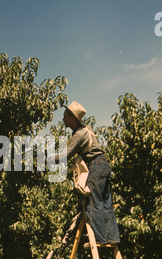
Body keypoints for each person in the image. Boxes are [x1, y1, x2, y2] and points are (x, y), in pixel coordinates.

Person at [51, 101, 120, 245]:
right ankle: (112, 238)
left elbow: (65, 155)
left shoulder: (79, 134)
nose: (63, 119)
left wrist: (45, 160)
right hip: (103, 165)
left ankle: (100, 239)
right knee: (105, 203)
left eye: (65, 117)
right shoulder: (86, 130)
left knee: (92, 202)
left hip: (95, 165)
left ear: (72, 118)